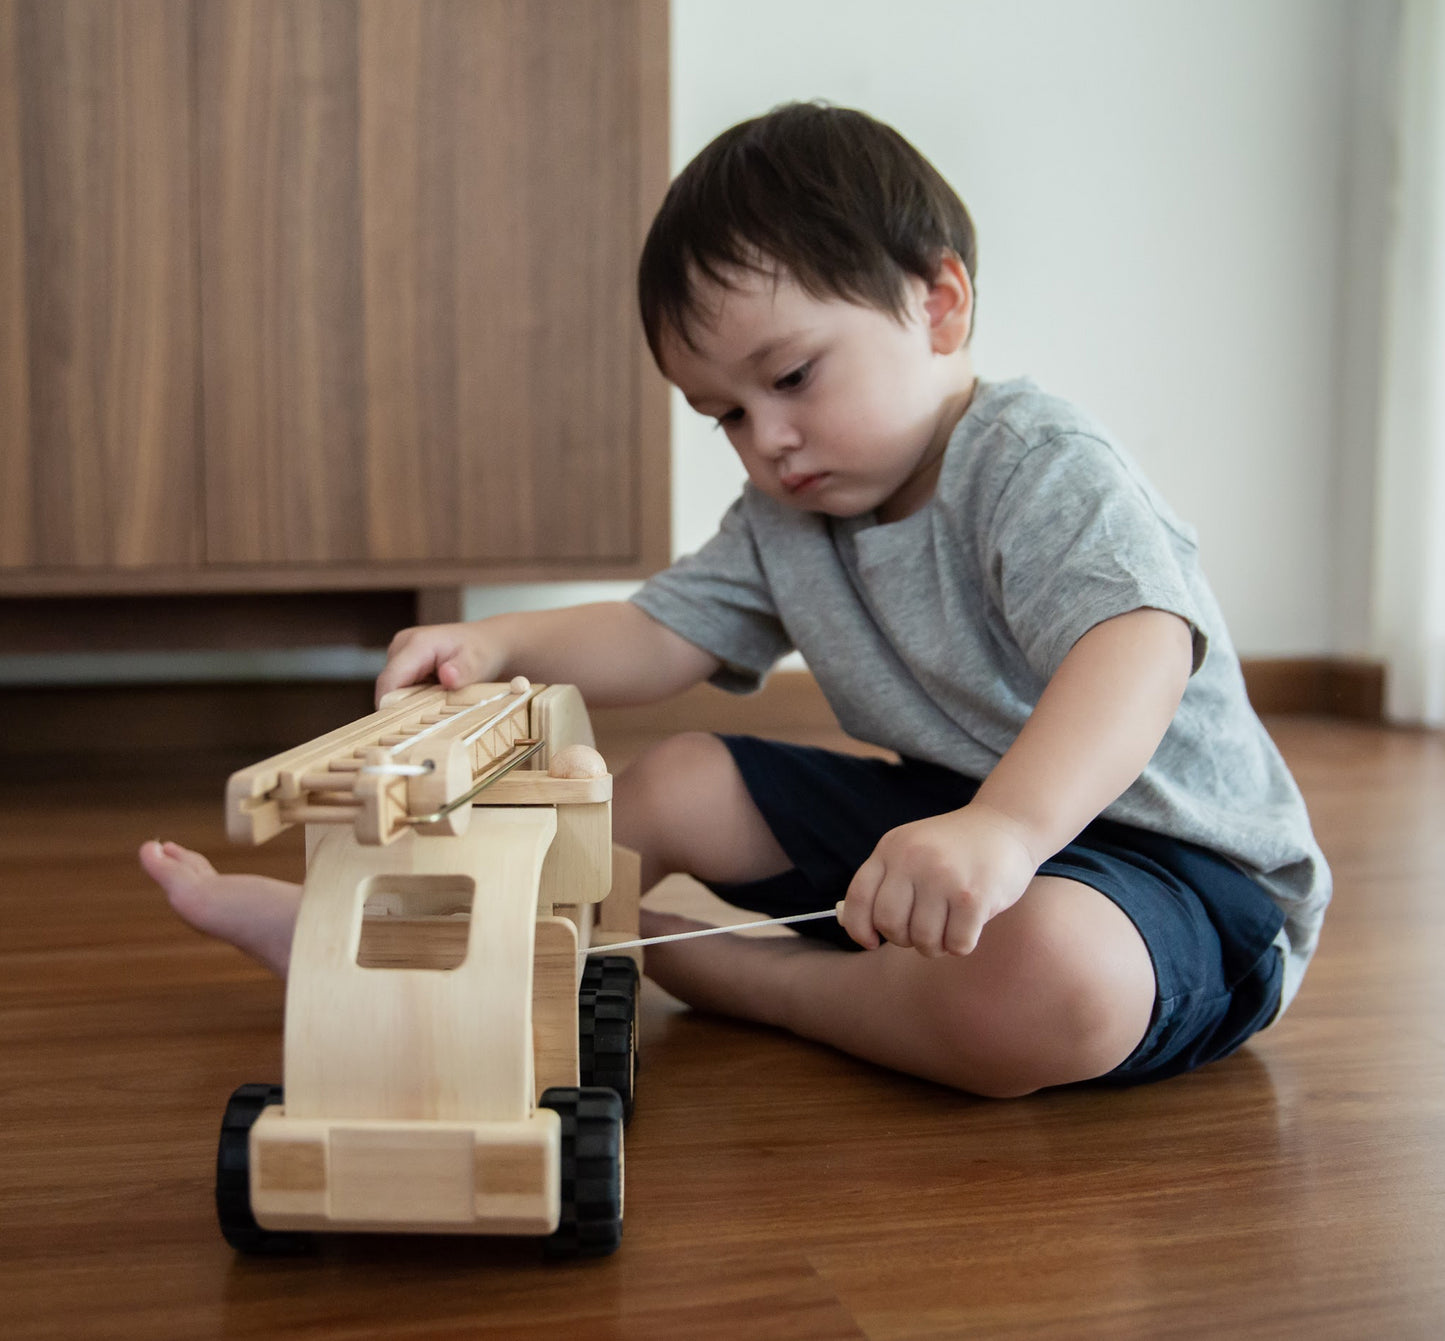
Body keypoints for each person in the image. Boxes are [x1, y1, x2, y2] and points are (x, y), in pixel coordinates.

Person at [141, 102, 1329, 1098]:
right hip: (948, 826)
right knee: (674, 780)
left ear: (939, 306)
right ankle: (390, 942)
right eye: (723, 415)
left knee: (1051, 977)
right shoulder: (787, 516)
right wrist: (496, 639)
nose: (766, 440)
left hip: (1180, 881)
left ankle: (753, 982)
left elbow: (1137, 649)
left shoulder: (1035, 463)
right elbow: (659, 632)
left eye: (792, 377)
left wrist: (1005, 832)